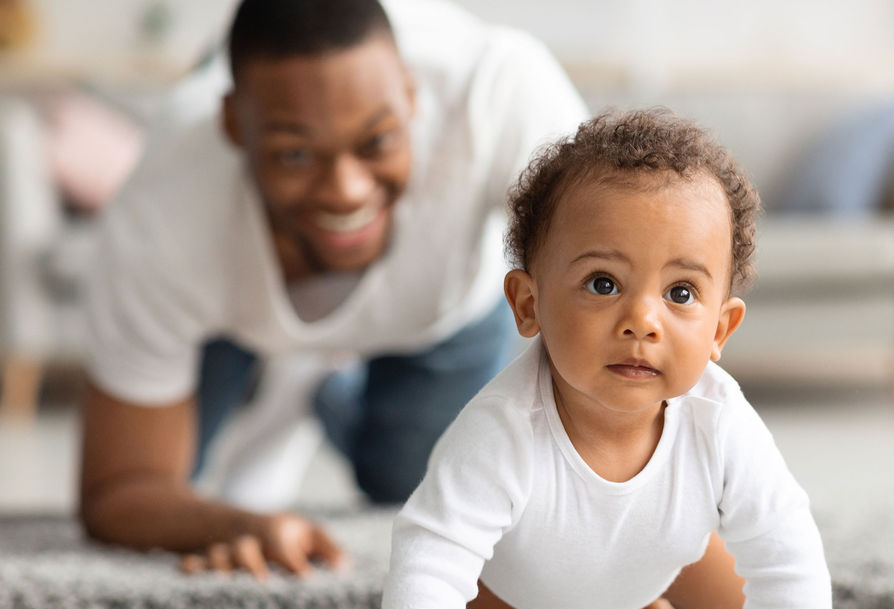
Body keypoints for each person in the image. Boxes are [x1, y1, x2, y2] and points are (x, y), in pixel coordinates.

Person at [381, 109, 833, 609]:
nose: (641, 321)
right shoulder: (501, 430)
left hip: (651, 545)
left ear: (720, 329)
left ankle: (635, 582)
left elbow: (790, 552)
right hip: (532, 587)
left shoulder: (720, 417)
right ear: (529, 304)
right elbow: (428, 562)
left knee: (738, 601)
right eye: (603, 284)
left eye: (681, 292)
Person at [76, 0, 587, 578]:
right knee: (178, 485)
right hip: (234, 314)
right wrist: (240, 524)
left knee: (413, 485)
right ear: (233, 127)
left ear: (413, 97)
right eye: (295, 153)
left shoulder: (499, 91)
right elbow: (119, 491)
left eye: (375, 143)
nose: (345, 191)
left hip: (439, 310)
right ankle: (291, 366)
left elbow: (618, 287)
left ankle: (324, 388)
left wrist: (605, 566)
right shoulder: (164, 214)